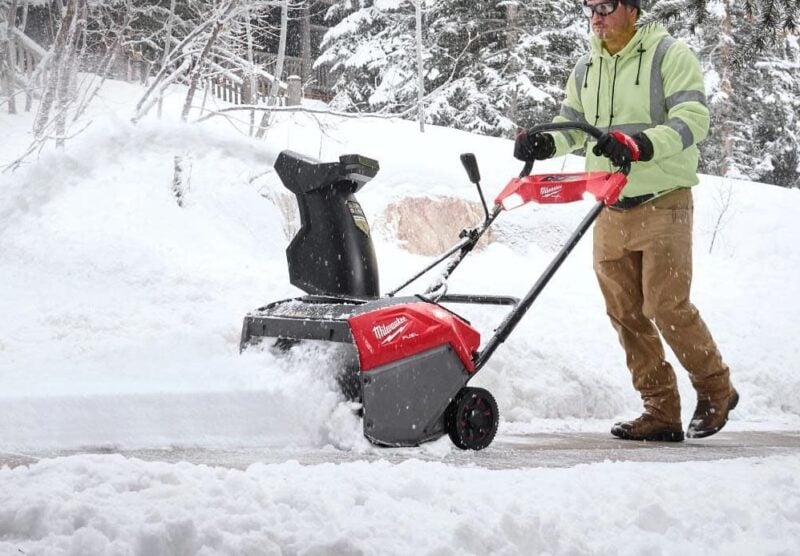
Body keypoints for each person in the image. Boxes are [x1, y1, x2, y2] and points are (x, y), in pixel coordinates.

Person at [513, 0, 737, 442]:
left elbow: (693, 120)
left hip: (663, 200)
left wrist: (641, 145)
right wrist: (546, 143)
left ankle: (716, 388)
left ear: (633, 8)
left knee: (666, 306)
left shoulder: (669, 55)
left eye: (606, 6)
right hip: (610, 203)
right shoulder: (587, 66)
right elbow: (573, 125)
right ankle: (660, 410)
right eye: (589, 8)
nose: (596, 16)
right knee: (624, 312)